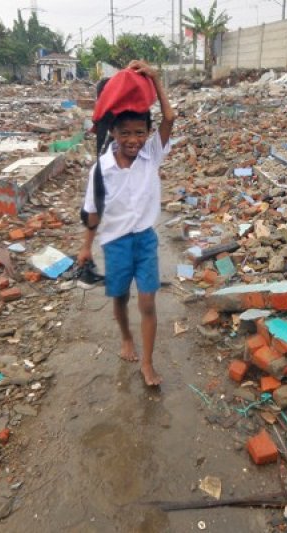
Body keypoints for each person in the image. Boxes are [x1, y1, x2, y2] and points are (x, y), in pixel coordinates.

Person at [77, 60, 176, 386]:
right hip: (115, 242)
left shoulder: (152, 155)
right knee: (119, 299)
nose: (133, 140)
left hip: (145, 240)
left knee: (147, 301)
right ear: (113, 134)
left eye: (139, 132)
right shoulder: (101, 170)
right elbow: (93, 212)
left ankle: (147, 363)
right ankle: (125, 338)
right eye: (125, 133)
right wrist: (85, 248)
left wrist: (156, 79)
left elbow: (170, 118)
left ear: (148, 134)